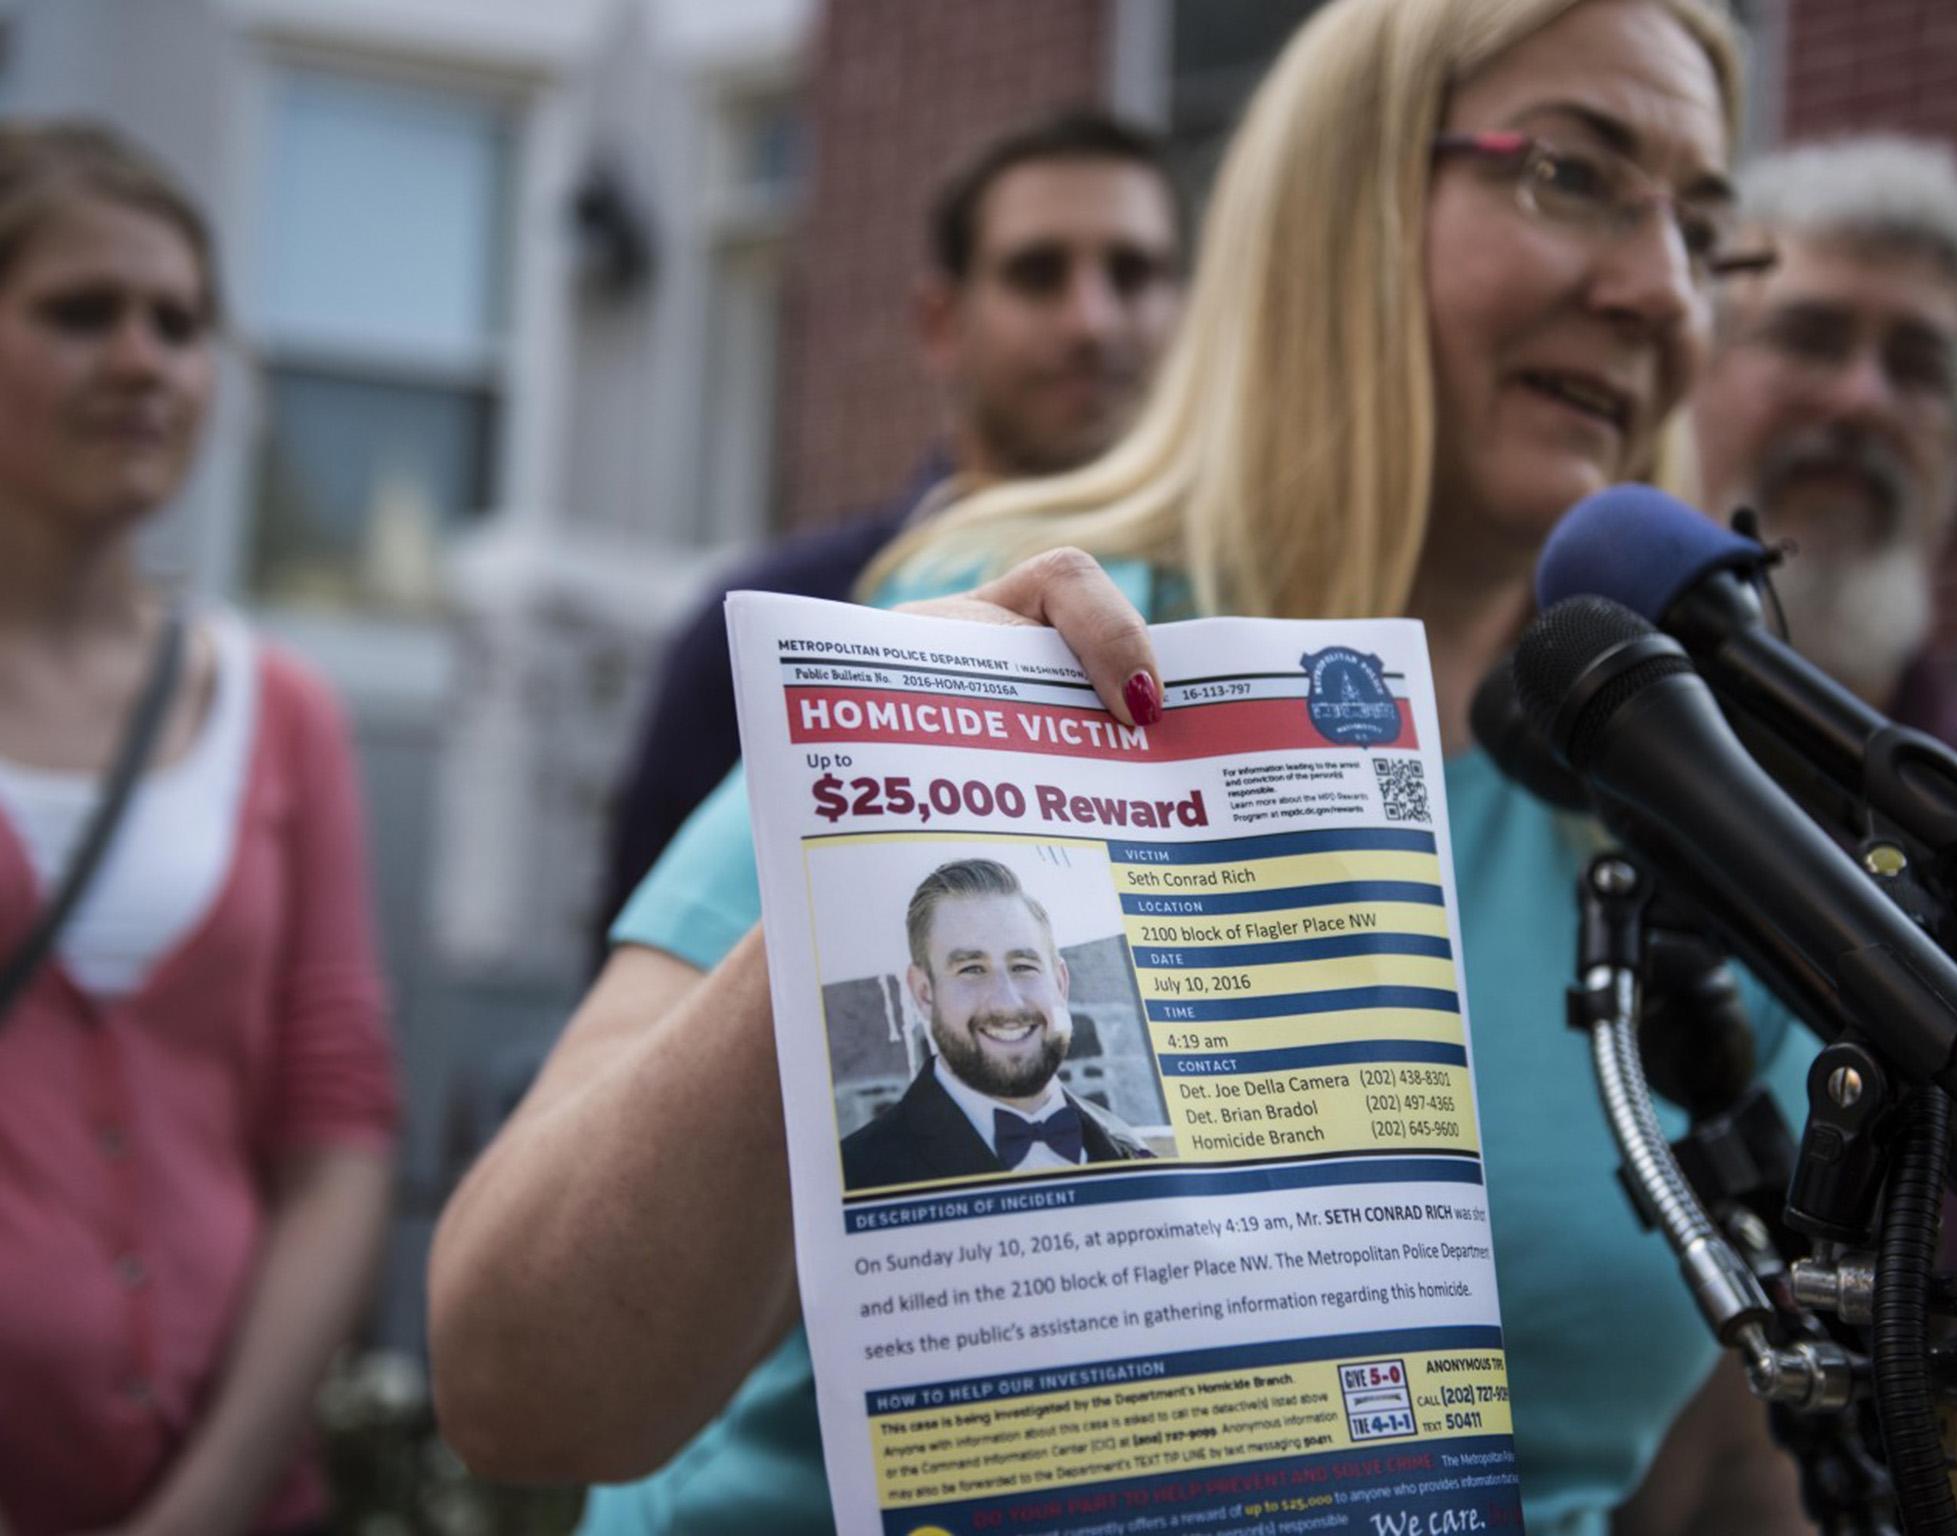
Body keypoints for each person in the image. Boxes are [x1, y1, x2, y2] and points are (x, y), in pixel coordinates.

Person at [429, 3, 1821, 1532]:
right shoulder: (1029, 632)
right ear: (1338, 206)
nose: (1658, 290)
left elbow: (1725, 1465)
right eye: (1574, 173)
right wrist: (890, 809)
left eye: (1705, 228)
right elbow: (520, 1386)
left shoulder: (1703, 806)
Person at [0, 123, 395, 1536]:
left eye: (179, 321)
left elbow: (336, 1133)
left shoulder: (280, 713)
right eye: (79, 310)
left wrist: (210, 1505)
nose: (142, 359)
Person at [594, 108, 1187, 952]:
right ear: (941, 323)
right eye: (1037, 273)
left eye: (1132, 274)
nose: (1092, 320)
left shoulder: (1255, 603)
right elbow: (629, 1026)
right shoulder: (759, 625)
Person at [1692, 135, 1957, 812]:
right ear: (1694, 371)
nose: (1862, 400)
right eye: (1807, 337)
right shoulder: (1546, 772)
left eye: (1919, 365)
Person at [840, 856, 1151, 1190]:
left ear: (1060, 983)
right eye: (971, 969)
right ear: (924, 993)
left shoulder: (1131, 1148)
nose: (1007, 1002)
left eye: (1023, 966)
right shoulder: (856, 1173)